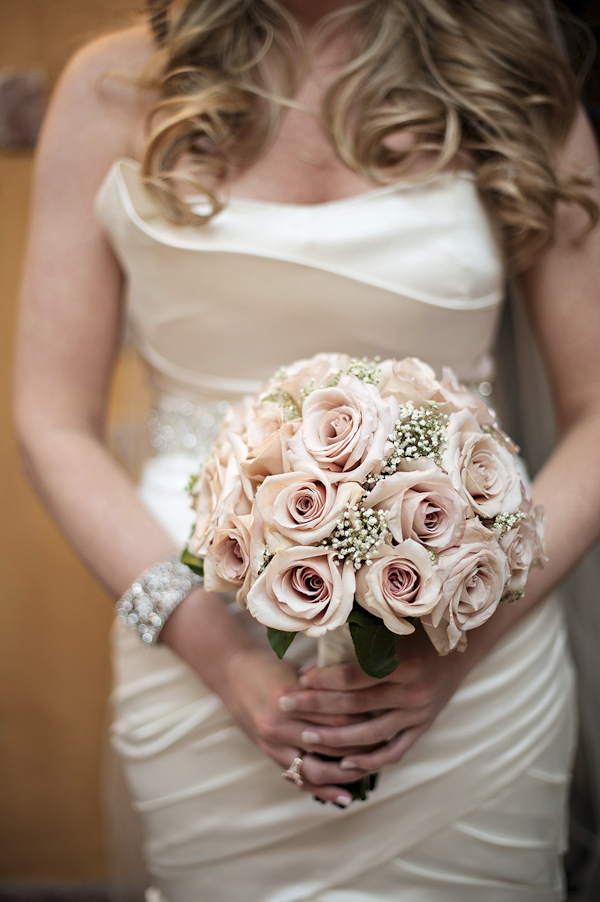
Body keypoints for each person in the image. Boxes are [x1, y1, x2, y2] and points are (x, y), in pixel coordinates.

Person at [13, 0, 600, 899]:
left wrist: (455, 658)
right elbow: (51, 422)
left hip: (478, 651)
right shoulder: (113, 87)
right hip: (192, 639)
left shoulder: (508, 67)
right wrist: (222, 657)